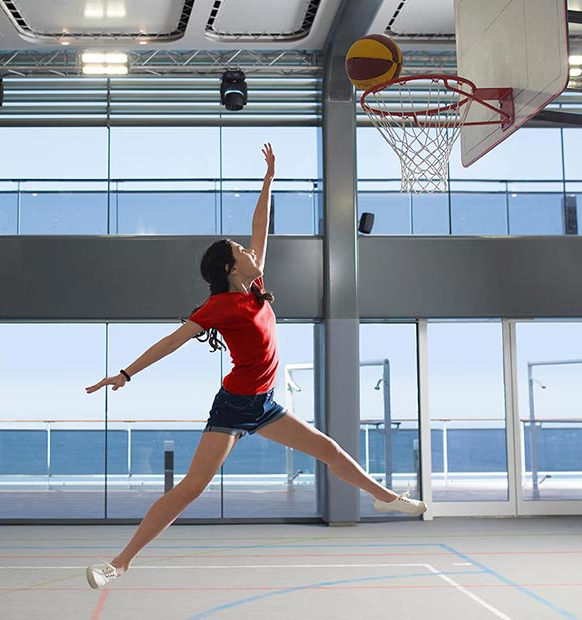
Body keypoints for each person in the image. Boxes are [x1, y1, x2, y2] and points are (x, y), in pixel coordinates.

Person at [84, 143, 427, 589]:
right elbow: (171, 341)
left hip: (264, 404)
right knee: (191, 488)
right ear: (230, 267)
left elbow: (260, 227)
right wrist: (126, 373)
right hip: (234, 406)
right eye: (240, 250)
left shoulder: (254, 284)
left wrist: (268, 180)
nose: (250, 250)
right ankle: (120, 562)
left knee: (329, 450)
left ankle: (384, 497)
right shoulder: (219, 307)